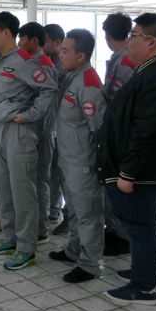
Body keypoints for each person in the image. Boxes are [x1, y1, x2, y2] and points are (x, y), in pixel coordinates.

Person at [97, 13, 156, 305]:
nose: (128, 42)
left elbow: (147, 130)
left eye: (134, 36)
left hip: (141, 173)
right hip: (140, 169)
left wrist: (128, 173)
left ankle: (143, 287)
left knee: (141, 227)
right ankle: (142, 269)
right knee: (139, 226)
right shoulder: (153, 69)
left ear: (151, 42)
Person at [0, 12, 57, 270]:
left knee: (23, 191)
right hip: (0, 129)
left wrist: (30, 115)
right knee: (5, 187)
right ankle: (10, 237)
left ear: (6, 33)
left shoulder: (24, 61)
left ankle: (26, 248)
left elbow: (49, 89)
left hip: (18, 132)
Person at [48, 29, 107, 283]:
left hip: (84, 163)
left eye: (65, 51)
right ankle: (74, 250)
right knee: (73, 209)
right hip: (69, 159)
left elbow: (100, 128)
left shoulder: (89, 83)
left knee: (88, 214)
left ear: (81, 56)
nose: (60, 54)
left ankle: (90, 264)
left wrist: (96, 163)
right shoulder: (73, 77)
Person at [18, 22, 57, 244]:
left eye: (22, 39)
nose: (19, 43)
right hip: (31, 128)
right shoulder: (29, 62)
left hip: (42, 131)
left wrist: (31, 119)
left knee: (41, 178)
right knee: (30, 179)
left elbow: (46, 101)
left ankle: (41, 228)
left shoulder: (43, 64)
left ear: (34, 40)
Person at [101, 12, 136, 256]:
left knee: (118, 188)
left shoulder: (124, 62)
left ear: (107, 36)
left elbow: (116, 100)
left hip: (121, 134)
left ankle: (123, 237)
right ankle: (116, 231)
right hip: (120, 132)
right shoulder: (122, 58)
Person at [44, 24, 69, 236]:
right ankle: (53, 210)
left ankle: (68, 217)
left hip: (65, 129)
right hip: (51, 127)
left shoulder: (67, 67)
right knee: (51, 171)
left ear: (57, 42)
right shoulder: (48, 64)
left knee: (64, 176)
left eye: (45, 41)